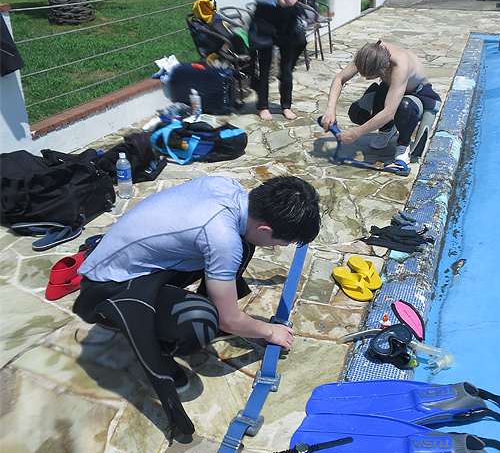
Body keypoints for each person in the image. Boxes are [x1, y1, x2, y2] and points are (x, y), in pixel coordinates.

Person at [73, 175, 321, 438]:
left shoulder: (227, 187)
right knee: (201, 322)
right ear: (265, 230)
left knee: (242, 247)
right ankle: (162, 348)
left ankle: (199, 305)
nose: (277, 248)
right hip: (105, 288)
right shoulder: (222, 237)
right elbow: (229, 321)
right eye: (281, 243)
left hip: (134, 263)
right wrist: (269, 332)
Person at [320, 40, 442, 171]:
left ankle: (403, 144)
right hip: (389, 89)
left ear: (385, 67)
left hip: (416, 95)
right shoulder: (369, 55)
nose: (366, 79)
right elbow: (340, 78)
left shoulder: (400, 66)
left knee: (404, 107)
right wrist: (330, 110)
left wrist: (354, 135)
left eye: (370, 76)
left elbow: (389, 113)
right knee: (358, 112)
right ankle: (388, 129)